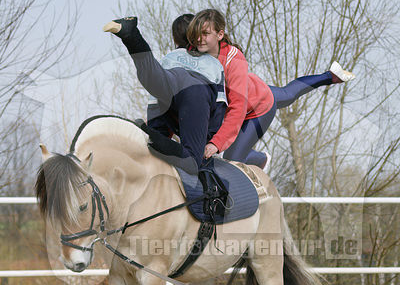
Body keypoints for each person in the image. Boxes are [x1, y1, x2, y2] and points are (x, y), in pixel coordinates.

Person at [185, 9, 355, 169]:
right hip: (252, 87)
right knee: (288, 94)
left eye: (205, 34)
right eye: (196, 35)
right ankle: (331, 76)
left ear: (220, 34)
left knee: (231, 160)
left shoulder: (233, 59)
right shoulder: (193, 53)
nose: (199, 39)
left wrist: (217, 143)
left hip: (255, 108)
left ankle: (261, 158)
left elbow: (237, 108)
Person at [103, 16, 227, 174]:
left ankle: (132, 36)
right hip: (197, 90)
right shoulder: (214, 63)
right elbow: (219, 105)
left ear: (176, 39)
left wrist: (154, 129)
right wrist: (210, 140)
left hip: (172, 77)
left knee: (151, 75)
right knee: (192, 163)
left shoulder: (170, 58)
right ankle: (151, 136)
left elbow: (156, 98)